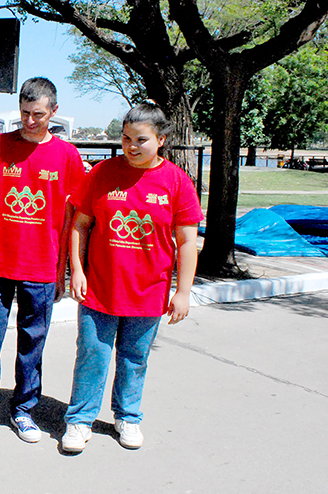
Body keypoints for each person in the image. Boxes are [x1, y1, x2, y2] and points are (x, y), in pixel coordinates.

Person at [61, 103, 203, 453]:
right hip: (100, 289)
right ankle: (80, 420)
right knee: (92, 354)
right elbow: (80, 224)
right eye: (126, 138)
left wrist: (183, 292)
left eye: (140, 139)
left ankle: (128, 416)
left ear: (161, 140)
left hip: (149, 292)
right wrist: (76, 270)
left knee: (134, 357)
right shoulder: (102, 173)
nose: (131, 146)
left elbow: (187, 241)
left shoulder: (177, 182)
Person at [0, 77, 85, 444]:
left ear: (54, 112)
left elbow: (71, 216)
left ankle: (23, 409)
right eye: (25, 113)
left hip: (42, 268)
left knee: (33, 344)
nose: (30, 121)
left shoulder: (67, 156)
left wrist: (64, 267)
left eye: (39, 115)